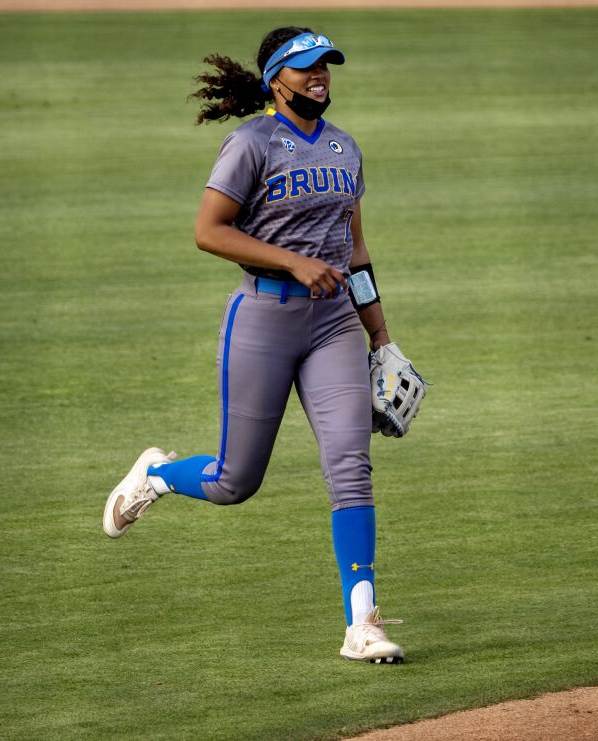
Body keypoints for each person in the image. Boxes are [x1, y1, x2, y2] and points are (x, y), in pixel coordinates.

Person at [103, 27, 411, 664]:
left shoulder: (346, 149)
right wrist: (294, 263)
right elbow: (208, 231)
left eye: (326, 66)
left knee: (350, 468)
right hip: (262, 321)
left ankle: (364, 622)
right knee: (234, 481)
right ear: (277, 79)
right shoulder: (249, 144)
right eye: (305, 68)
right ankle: (156, 476)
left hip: (333, 327)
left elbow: (355, 254)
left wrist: (380, 334)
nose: (319, 76)